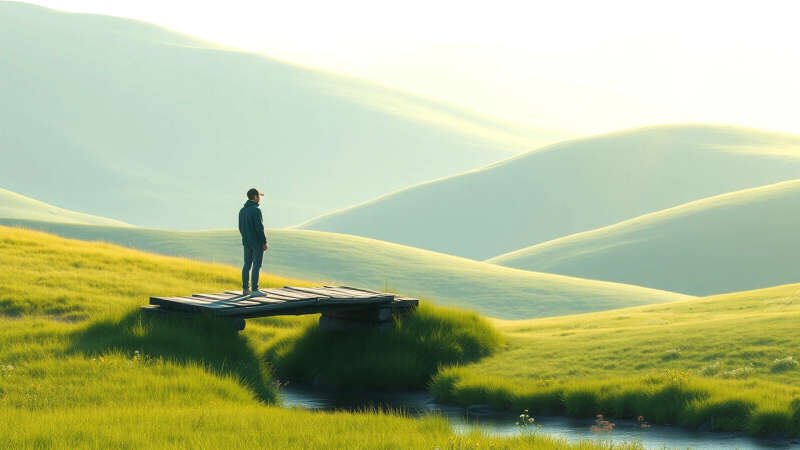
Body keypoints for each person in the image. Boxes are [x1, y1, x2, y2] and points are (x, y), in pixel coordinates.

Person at [238, 188, 268, 297]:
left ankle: (245, 289)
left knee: (247, 265)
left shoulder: (242, 211)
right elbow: (259, 228)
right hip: (256, 242)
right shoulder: (256, 210)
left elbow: (240, 227)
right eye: (259, 196)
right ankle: (255, 290)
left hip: (246, 242)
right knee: (256, 265)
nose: (260, 198)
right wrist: (264, 242)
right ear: (255, 197)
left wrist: (245, 238)